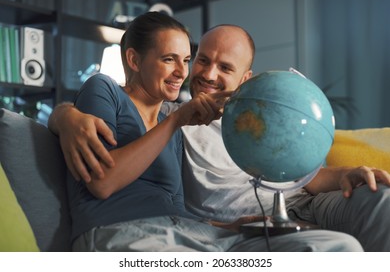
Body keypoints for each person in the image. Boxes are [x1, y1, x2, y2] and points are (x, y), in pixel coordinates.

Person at [48, 17, 364, 252]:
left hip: (198, 234)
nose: (184, 73)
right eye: (170, 59)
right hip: (131, 235)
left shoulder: (171, 123)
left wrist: (230, 226)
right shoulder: (146, 108)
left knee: (338, 248)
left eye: (185, 60)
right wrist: (64, 116)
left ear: (245, 77)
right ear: (133, 59)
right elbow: (102, 182)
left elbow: (173, 205)